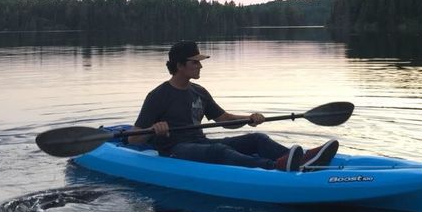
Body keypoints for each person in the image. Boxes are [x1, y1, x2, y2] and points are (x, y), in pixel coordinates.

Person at [128, 41, 339, 172]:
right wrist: (154, 129)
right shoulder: (158, 96)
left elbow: (224, 119)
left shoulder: (199, 91)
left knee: (257, 139)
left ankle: (302, 160)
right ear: (180, 65)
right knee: (220, 150)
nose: (200, 66)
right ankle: (276, 166)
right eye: (195, 62)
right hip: (174, 150)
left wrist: (249, 119)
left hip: (199, 143)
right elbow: (133, 139)